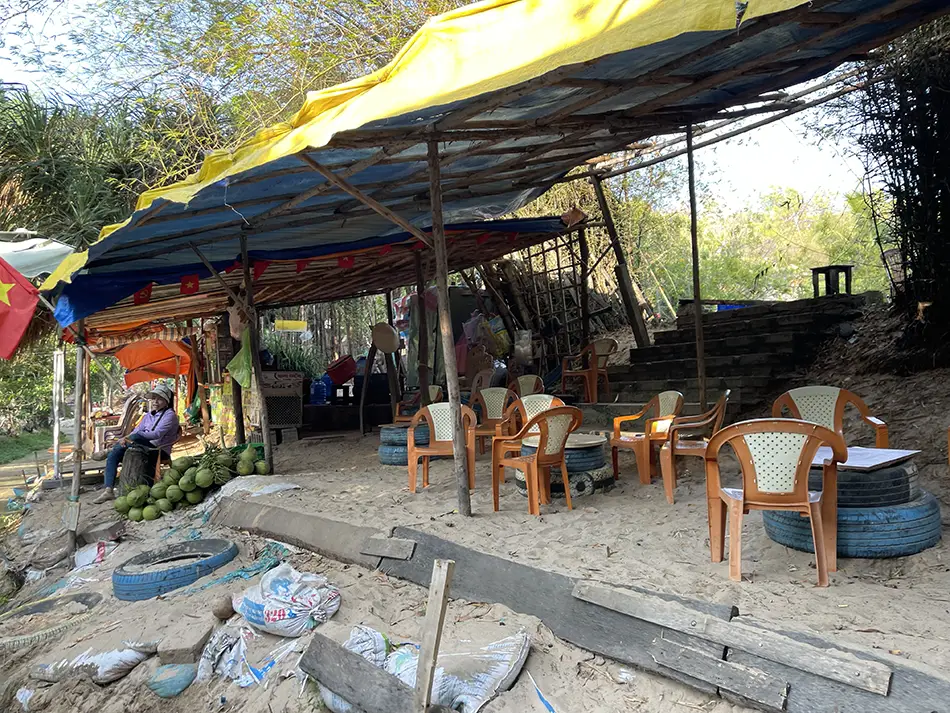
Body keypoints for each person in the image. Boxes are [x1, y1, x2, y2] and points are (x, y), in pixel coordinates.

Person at [93, 384, 180, 504]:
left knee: (135, 437)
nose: (155, 401)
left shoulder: (170, 415)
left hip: (158, 449)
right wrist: (126, 438)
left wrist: (131, 437)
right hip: (140, 444)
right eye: (153, 398)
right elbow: (137, 430)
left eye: (159, 399)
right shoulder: (149, 414)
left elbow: (156, 434)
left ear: (167, 401)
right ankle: (108, 490)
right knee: (114, 455)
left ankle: (109, 450)